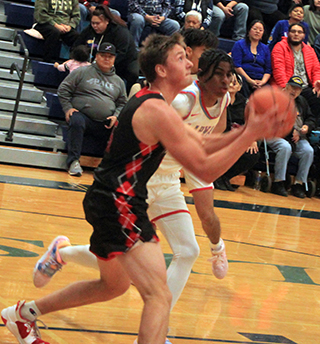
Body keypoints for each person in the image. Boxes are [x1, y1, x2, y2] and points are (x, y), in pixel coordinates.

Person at [1, 33, 286, 344]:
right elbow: (204, 167)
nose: (190, 62)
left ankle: (21, 315)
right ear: (161, 70)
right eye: (181, 57)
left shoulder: (158, 104)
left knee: (113, 286)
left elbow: (203, 141)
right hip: (118, 201)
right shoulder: (157, 109)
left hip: (117, 199)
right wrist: (250, 134)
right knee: (159, 295)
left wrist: (246, 131)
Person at [58, 42, 127, 176]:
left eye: (110, 56)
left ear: (114, 59)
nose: (106, 59)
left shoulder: (119, 81)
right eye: (103, 55)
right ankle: (73, 162)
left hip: (105, 121)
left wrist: (116, 115)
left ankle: (110, 168)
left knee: (122, 128)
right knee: (76, 120)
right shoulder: (82, 71)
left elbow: (123, 103)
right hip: (83, 115)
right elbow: (63, 89)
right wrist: (68, 108)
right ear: (96, 56)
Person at [267, 76, 316, 198]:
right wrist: (290, 131)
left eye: (298, 89)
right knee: (285, 147)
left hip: (297, 137)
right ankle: (278, 182)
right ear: (286, 86)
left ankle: (299, 184)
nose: (294, 91)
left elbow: (311, 118)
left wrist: (307, 126)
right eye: (292, 88)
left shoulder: (302, 101)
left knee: (308, 151)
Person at [73, 5, 139, 92]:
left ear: (107, 21)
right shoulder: (90, 30)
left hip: (125, 61)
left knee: (133, 73)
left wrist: (104, 65)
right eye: (93, 23)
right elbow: (76, 45)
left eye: (98, 23)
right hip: (99, 61)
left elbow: (122, 53)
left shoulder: (120, 32)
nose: (95, 26)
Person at [214, 73, 260, 191]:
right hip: (219, 137)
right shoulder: (217, 99)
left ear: (240, 87)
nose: (232, 84)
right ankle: (217, 175)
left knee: (253, 154)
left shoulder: (246, 104)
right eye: (230, 81)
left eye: (235, 82)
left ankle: (225, 176)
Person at [271, 22, 320, 126]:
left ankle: (311, 129)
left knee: (317, 96)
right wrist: (285, 87)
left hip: (305, 87)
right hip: (289, 86)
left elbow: (316, 69)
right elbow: (278, 70)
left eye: (299, 32)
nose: (296, 34)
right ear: (288, 33)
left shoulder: (309, 50)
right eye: (293, 31)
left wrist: (317, 82)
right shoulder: (280, 47)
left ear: (304, 35)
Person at [231, 20, 272, 98]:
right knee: (241, 83)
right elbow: (236, 66)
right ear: (249, 30)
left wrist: (262, 82)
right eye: (255, 29)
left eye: (260, 30)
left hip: (260, 79)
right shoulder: (239, 44)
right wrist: (251, 81)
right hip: (243, 77)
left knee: (269, 90)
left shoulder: (265, 48)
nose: (257, 32)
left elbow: (268, 70)